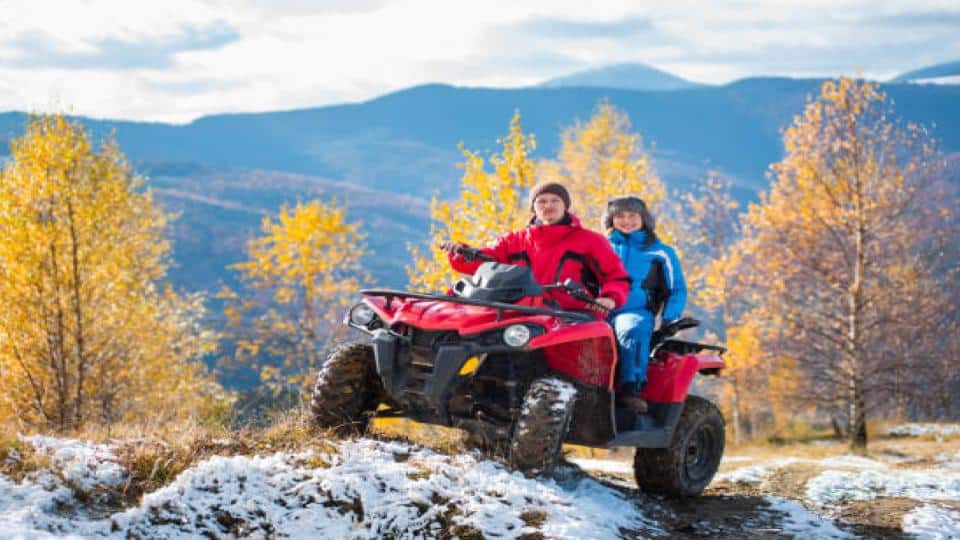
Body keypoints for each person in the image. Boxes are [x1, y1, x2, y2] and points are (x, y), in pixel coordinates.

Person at [440, 182, 630, 314]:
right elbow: (483, 263)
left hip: (572, 315)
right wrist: (461, 252)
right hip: (518, 312)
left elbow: (617, 277)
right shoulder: (513, 240)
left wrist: (609, 298)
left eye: (555, 200)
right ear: (534, 208)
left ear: (565, 206)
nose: (549, 205)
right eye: (542, 201)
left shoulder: (591, 241)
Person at [603, 196, 687, 413]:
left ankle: (631, 388)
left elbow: (677, 288)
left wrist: (671, 317)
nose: (626, 220)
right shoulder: (601, 247)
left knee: (631, 329)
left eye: (632, 215)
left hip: (635, 310)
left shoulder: (660, 252)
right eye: (619, 216)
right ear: (611, 220)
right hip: (597, 308)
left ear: (644, 219)